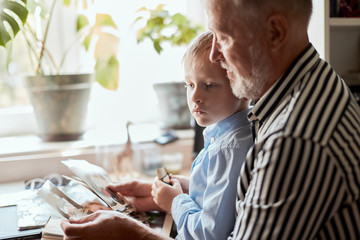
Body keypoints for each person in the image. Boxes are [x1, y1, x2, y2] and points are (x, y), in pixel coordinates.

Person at [61, 0, 360, 239]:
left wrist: (132, 234)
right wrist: (185, 188)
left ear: (275, 33)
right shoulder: (311, 88)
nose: (215, 54)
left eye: (224, 37)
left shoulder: (294, 141)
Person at [151, 31, 252, 240]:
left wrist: (175, 201)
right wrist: (191, 186)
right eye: (190, 85)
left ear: (242, 87)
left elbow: (209, 234)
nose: (195, 96)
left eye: (209, 85)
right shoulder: (229, 137)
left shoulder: (229, 150)